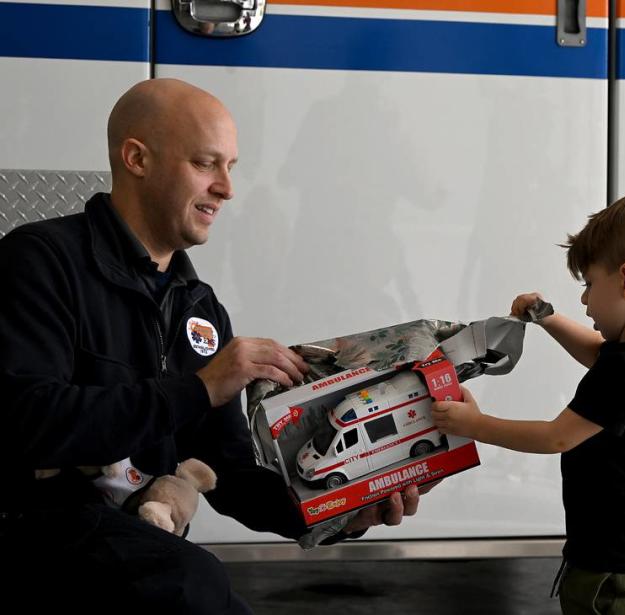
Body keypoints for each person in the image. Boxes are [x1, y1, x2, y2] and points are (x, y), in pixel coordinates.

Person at [0, 78, 425, 614]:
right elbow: (27, 423)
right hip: (36, 535)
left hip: (136, 546)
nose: (227, 188)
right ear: (137, 158)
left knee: (193, 583)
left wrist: (338, 508)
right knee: (192, 582)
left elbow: (228, 472)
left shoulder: (198, 306)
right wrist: (199, 388)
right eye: (206, 164)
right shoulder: (40, 260)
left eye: (232, 167)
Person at [432, 191, 625, 615]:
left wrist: (475, 424)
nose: (585, 300)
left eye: (589, 285)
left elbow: (556, 437)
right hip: (618, 556)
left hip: (620, 573)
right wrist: (548, 318)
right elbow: (597, 351)